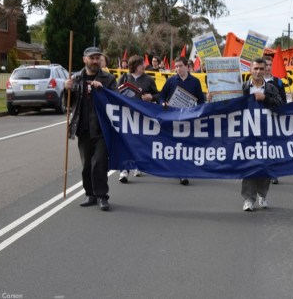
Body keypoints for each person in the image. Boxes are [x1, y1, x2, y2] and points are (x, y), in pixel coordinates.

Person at [65, 47, 117, 211]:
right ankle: (90, 194)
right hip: (83, 127)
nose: (95, 61)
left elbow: (116, 101)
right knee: (86, 164)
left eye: (97, 58)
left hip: (102, 128)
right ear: (84, 60)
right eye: (92, 58)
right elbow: (67, 103)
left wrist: (103, 90)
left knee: (99, 163)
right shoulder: (76, 78)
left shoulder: (108, 78)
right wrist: (67, 89)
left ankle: (102, 196)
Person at [241, 57, 284, 211]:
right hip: (248, 133)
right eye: (255, 69)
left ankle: (262, 194)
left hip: (267, 133)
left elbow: (281, 105)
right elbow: (229, 105)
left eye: (261, 69)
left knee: (265, 165)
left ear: (266, 70)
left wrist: (265, 98)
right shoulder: (243, 87)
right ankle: (248, 199)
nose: (258, 72)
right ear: (251, 70)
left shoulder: (271, 88)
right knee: (249, 165)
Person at [158, 56, 205, 185]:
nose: (178, 69)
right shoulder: (171, 81)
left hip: (188, 119)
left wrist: (199, 110)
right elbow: (161, 97)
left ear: (187, 66)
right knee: (174, 145)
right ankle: (178, 169)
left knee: (185, 145)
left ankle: (183, 172)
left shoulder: (195, 81)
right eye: (176, 66)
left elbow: (201, 100)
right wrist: (163, 104)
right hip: (172, 118)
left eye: (180, 66)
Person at [117, 55, 159, 183]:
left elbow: (158, 95)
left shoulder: (149, 79)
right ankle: (124, 170)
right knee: (126, 143)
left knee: (140, 142)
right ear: (135, 66)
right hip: (126, 115)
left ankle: (138, 165)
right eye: (142, 64)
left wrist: (151, 97)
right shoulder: (124, 78)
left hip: (142, 116)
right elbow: (115, 92)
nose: (145, 66)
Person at [262, 55, 287, 184]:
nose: (268, 68)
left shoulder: (278, 82)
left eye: (270, 65)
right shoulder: (255, 82)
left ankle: (273, 173)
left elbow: (283, 102)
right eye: (265, 65)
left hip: (273, 119)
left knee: (272, 146)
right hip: (258, 120)